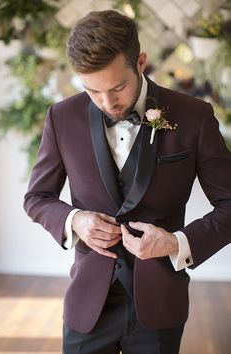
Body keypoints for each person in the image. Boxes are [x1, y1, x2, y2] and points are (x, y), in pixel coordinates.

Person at [24, 9, 231, 354]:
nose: (108, 103)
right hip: (88, 304)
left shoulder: (194, 117)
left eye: (117, 87)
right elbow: (37, 197)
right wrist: (76, 220)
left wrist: (176, 243)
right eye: (92, 91)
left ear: (141, 62)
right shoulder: (61, 118)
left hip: (160, 302)